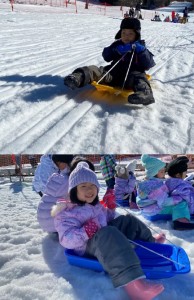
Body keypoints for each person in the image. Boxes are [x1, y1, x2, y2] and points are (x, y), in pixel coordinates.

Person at [51, 162, 165, 300]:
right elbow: (66, 240)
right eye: (83, 186)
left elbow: (107, 219)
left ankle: (151, 242)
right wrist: (86, 231)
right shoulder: (66, 212)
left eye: (93, 185)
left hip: (105, 236)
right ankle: (134, 285)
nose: (89, 190)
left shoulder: (94, 205)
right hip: (86, 246)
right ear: (74, 190)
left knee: (127, 220)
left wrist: (110, 207)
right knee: (108, 232)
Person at [64, 18, 156, 106]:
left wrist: (141, 51)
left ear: (136, 35)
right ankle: (77, 78)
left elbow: (149, 63)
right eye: (124, 33)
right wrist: (114, 50)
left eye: (130, 33)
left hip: (130, 77)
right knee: (96, 70)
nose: (126, 36)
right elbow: (106, 57)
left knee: (139, 78)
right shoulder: (117, 44)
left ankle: (144, 94)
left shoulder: (140, 47)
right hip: (113, 73)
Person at [137, 155, 194, 230]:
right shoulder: (154, 186)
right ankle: (181, 222)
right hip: (154, 211)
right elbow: (164, 201)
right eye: (162, 171)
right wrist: (177, 199)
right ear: (154, 173)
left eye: (164, 171)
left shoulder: (151, 182)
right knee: (182, 203)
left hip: (149, 209)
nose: (164, 173)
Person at [165, 156, 194, 230]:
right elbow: (187, 197)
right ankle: (181, 222)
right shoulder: (179, 185)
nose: (186, 173)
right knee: (182, 202)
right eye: (185, 172)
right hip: (184, 209)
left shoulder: (171, 182)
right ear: (178, 175)